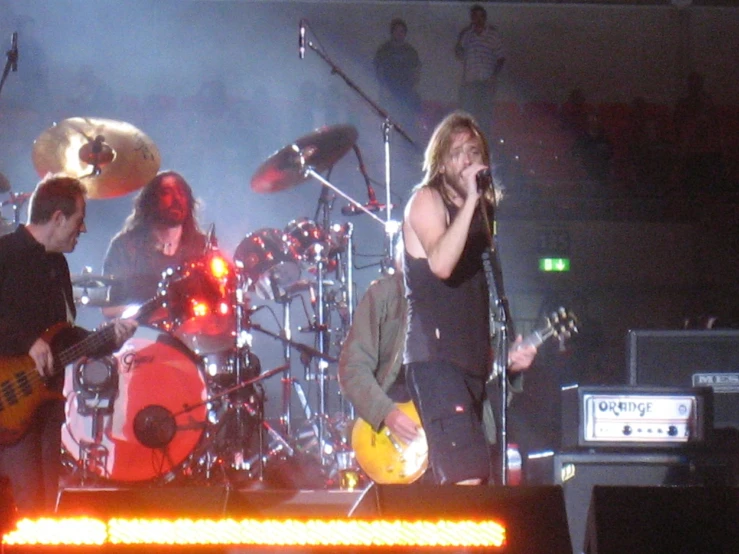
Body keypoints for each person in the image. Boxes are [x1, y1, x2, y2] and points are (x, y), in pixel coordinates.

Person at [401, 111, 536, 485]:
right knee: (468, 480)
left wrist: (505, 356)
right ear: (440, 161)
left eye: (473, 150)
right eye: (457, 151)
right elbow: (442, 265)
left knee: (476, 482)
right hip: (436, 360)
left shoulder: (481, 214)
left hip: (471, 365)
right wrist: (473, 200)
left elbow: (479, 296)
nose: (466, 158)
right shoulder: (425, 200)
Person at [0, 174, 136, 514]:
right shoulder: (5, 253)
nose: (84, 230)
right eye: (79, 220)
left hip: (45, 406)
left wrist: (107, 339)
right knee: (23, 508)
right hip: (9, 405)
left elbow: (63, 335)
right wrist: (27, 341)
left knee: (45, 511)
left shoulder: (57, 264)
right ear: (58, 218)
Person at [102, 170, 208, 320]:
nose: (177, 199)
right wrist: (147, 313)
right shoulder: (125, 246)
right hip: (140, 336)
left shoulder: (202, 246)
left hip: (190, 336)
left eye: (182, 193)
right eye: (166, 192)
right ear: (150, 201)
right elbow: (109, 308)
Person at [454, 5, 506, 142]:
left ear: (484, 17)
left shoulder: (493, 35)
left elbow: (501, 57)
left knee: (485, 117)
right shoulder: (467, 35)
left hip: (486, 82)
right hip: (470, 82)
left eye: (479, 16)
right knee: (468, 115)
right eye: (474, 16)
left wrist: (494, 76)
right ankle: (468, 142)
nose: (476, 19)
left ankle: (484, 144)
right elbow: (460, 53)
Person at [373, 18, 422, 132]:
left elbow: (416, 70)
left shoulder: (410, 51)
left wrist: (413, 88)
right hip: (388, 92)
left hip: (406, 93)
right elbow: (378, 70)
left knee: (407, 123)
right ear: (392, 32)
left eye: (402, 31)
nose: (399, 34)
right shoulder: (384, 50)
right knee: (388, 122)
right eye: (397, 31)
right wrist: (384, 89)